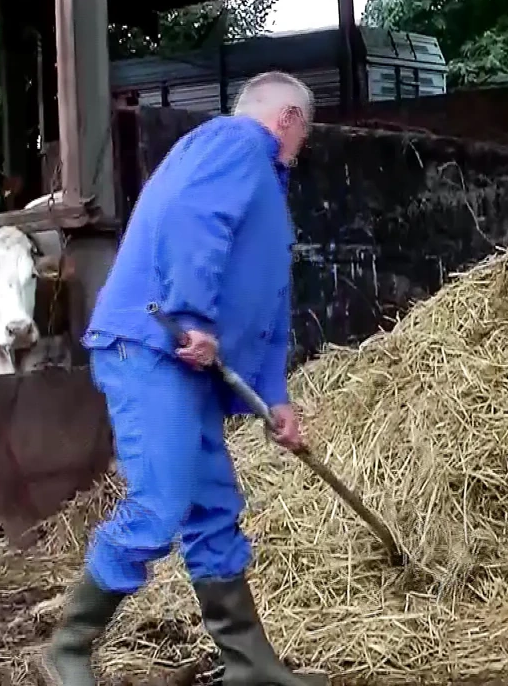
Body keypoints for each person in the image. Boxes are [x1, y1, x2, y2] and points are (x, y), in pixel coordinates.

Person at [41, 71, 324, 686]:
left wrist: (276, 399)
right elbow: (192, 220)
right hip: (152, 349)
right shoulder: (238, 143)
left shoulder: (265, 187)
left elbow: (269, 307)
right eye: (306, 128)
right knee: (160, 503)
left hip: (185, 363)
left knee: (213, 510)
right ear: (289, 119)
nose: (304, 142)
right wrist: (191, 316)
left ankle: (249, 667)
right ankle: (67, 648)